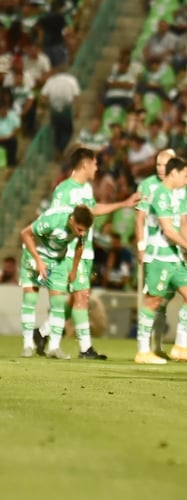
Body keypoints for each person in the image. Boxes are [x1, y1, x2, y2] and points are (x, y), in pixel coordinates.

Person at [33, 147, 138, 360]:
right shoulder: (64, 190)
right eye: (95, 163)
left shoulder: (86, 189)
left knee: (77, 299)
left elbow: (93, 210)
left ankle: (43, 332)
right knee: (79, 297)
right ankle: (84, 348)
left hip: (85, 250)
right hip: (70, 251)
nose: (97, 167)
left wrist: (123, 204)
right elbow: (56, 219)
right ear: (85, 165)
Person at [135, 157, 187, 365]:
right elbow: (167, 229)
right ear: (174, 173)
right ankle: (143, 350)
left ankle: (181, 346)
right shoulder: (160, 194)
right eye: (185, 176)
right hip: (159, 256)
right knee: (153, 300)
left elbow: (182, 223)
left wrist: (185, 253)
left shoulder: (176, 194)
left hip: (174, 255)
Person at [20, 205, 93, 358]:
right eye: (80, 229)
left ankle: (54, 347)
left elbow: (80, 247)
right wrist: (38, 260)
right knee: (30, 298)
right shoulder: (53, 220)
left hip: (57, 260)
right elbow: (25, 234)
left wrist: (73, 270)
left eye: (85, 230)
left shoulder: (82, 229)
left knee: (59, 302)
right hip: (34, 256)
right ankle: (27, 345)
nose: (82, 233)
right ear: (72, 220)